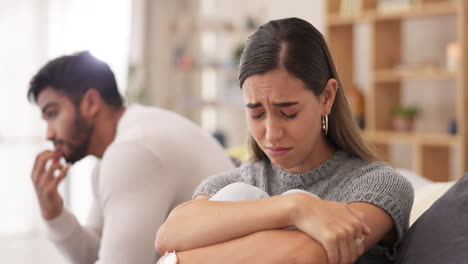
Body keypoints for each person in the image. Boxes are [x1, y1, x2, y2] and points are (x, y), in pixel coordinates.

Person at [155, 18, 414, 264]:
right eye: (256, 113)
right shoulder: (230, 183)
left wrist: (178, 260)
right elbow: (168, 234)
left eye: (288, 112)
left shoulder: (378, 186)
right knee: (239, 194)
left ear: (326, 97)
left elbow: (302, 256)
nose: (271, 133)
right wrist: (296, 207)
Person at [28, 51, 234, 264]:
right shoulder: (119, 149)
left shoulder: (132, 150)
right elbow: (93, 254)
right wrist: (53, 213)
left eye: (53, 114)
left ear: (90, 102)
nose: (49, 134)